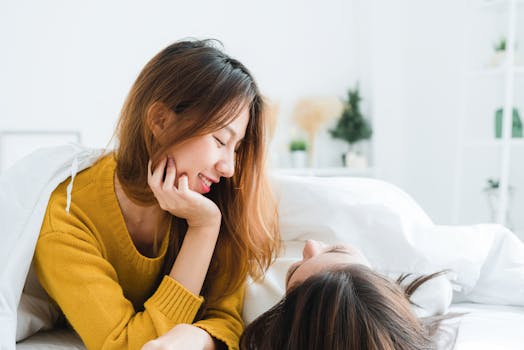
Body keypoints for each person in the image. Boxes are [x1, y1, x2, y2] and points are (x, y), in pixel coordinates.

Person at [33, 39, 280, 350]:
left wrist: (196, 337)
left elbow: (227, 320)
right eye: (220, 141)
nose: (229, 167)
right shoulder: (67, 216)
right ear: (161, 121)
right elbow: (124, 345)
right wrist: (203, 230)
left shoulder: (221, 198)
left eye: (237, 148)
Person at [240, 240, 457, 350]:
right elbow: (438, 288)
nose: (310, 245)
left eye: (293, 272)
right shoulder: (430, 294)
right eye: (337, 251)